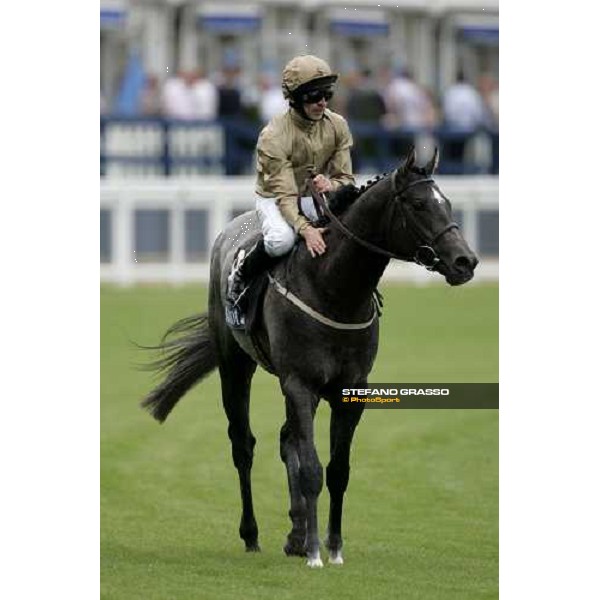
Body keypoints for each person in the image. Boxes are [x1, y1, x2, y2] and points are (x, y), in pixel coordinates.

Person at [226, 54, 356, 327]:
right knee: (282, 241)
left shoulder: (338, 125)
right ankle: (240, 276)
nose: (322, 102)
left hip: (311, 197)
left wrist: (331, 184)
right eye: (313, 96)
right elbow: (285, 197)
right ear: (295, 98)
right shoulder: (273, 136)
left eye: (327, 94)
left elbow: (347, 180)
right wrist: (306, 229)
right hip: (274, 198)